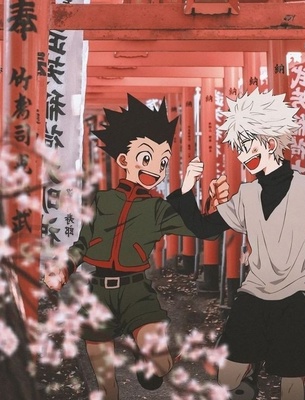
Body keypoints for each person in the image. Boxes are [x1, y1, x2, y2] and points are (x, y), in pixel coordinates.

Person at [167, 89, 305, 400]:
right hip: (254, 293)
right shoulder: (247, 194)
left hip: (296, 295)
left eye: (247, 146)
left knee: (292, 379)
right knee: (227, 374)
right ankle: (249, 379)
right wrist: (186, 189)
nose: (243, 156)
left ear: (270, 143)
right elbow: (204, 229)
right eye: (239, 148)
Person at [43, 94, 227, 400]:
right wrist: (64, 268)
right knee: (105, 385)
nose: (156, 168)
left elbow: (204, 232)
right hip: (98, 294)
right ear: (124, 160)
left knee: (161, 364)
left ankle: (149, 359)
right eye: (146, 157)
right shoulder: (103, 201)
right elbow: (82, 243)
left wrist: (211, 204)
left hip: (136, 293)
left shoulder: (158, 208)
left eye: (163, 161)